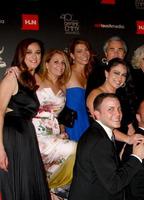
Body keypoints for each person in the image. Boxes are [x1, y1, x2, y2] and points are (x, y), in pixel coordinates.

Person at [68, 93, 144, 200]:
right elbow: (114, 185)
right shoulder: (99, 141)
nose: (118, 113)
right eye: (110, 109)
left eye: (119, 108)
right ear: (97, 114)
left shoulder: (97, 133)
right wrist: (137, 157)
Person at [0, 38, 50, 199]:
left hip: (26, 134)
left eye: (38, 52)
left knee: (29, 183)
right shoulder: (12, 76)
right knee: (19, 183)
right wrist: (0, 149)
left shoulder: (28, 78)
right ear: (21, 54)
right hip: (12, 136)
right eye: (29, 52)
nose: (34, 57)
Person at [32, 49, 77, 193]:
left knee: (73, 149)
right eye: (56, 62)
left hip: (54, 132)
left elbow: (59, 114)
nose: (60, 65)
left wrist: (62, 129)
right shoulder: (36, 79)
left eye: (63, 62)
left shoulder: (62, 85)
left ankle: (51, 188)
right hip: (35, 132)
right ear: (46, 64)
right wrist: (13, 71)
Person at [87, 58, 144, 153]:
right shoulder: (96, 95)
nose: (120, 78)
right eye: (116, 73)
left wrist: (133, 144)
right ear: (106, 73)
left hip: (122, 144)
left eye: (123, 75)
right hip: (103, 145)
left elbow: (129, 126)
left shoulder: (120, 95)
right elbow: (102, 127)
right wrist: (128, 139)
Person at [65, 38, 93, 141]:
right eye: (79, 51)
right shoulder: (67, 72)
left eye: (86, 50)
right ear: (72, 55)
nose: (84, 54)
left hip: (88, 121)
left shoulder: (90, 74)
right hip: (72, 123)